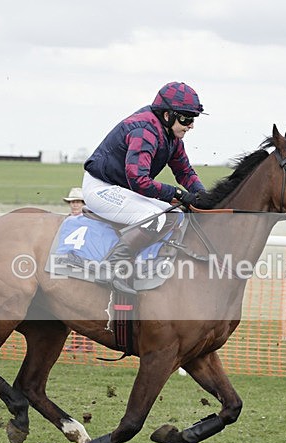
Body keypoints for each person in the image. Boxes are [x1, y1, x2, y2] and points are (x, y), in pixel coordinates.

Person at [82, 81, 207, 294]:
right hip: (101, 188)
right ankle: (112, 267)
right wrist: (177, 194)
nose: (191, 125)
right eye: (187, 118)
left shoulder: (170, 136)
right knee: (154, 217)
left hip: (123, 189)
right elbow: (138, 180)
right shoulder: (144, 130)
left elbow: (184, 172)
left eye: (193, 119)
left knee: (175, 214)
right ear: (167, 115)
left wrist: (204, 197)